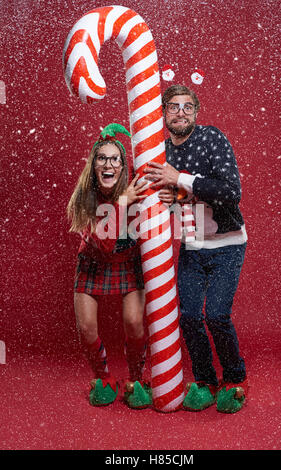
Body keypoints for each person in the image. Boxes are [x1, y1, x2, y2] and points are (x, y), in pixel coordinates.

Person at [144, 85, 248, 413]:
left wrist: (181, 179)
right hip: (192, 245)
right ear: (163, 113)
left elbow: (231, 191)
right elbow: (178, 198)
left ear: (196, 112)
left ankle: (235, 378)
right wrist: (174, 195)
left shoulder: (211, 139)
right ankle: (204, 381)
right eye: (173, 107)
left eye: (187, 107)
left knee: (216, 315)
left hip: (227, 245)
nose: (180, 113)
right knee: (187, 316)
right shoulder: (160, 152)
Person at [67, 123, 152, 409]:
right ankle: (102, 379)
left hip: (128, 262)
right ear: (94, 165)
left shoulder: (136, 189)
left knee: (133, 323)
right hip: (93, 263)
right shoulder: (88, 195)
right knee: (87, 328)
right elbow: (103, 243)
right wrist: (124, 202)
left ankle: (136, 379)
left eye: (115, 158)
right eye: (101, 158)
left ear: (122, 165)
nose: (108, 164)